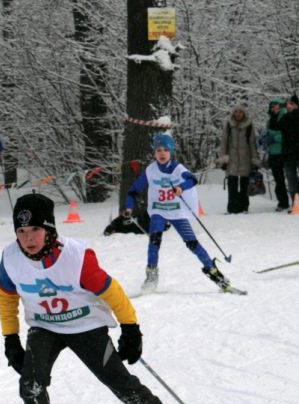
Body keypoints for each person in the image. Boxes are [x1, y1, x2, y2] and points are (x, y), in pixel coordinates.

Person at [0, 192, 212, 404]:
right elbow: (6, 297)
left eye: (35, 229)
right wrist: (11, 339)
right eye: (21, 231)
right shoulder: (11, 258)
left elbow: (113, 292)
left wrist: (131, 329)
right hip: (45, 327)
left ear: (49, 229)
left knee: (122, 384)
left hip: (86, 326)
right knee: (31, 384)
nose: (28, 238)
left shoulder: (76, 257)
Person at [124, 133, 239, 294]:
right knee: (154, 241)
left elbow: (192, 179)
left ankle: (215, 273)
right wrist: (129, 207)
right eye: (158, 150)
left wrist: (181, 188)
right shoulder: (150, 170)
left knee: (192, 243)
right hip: (159, 210)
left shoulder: (177, 168)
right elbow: (133, 191)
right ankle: (151, 276)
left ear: (171, 152)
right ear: (154, 153)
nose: (162, 153)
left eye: (165, 150)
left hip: (176, 211)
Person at [216, 105, 259, 214]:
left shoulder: (249, 126)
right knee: (232, 185)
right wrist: (223, 159)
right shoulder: (229, 125)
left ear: (244, 113)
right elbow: (224, 142)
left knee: (245, 185)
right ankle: (232, 208)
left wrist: (254, 160)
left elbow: (252, 144)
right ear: (233, 113)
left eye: (241, 112)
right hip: (232, 160)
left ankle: (244, 207)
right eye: (236, 111)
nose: (238, 114)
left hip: (246, 159)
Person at [264, 98, 290, 211]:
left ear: (280, 106)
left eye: (275, 105)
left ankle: (298, 201)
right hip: (273, 153)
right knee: (278, 180)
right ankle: (282, 202)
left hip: (284, 152)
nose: (273, 108)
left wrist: (274, 137)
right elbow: (267, 132)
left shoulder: (286, 116)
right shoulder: (270, 120)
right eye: (271, 106)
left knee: (291, 178)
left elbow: (287, 134)